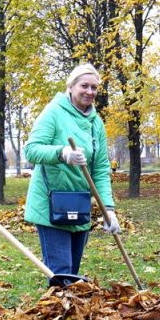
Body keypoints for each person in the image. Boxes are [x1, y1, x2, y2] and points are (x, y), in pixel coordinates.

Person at [23, 63, 120, 278]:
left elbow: (101, 169)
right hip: (51, 204)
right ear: (71, 86)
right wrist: (62, 153)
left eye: (94, 88)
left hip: (79, 203)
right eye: (84, 86)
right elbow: (31, 150)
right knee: (61, 273)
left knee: (72, 273)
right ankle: (56, 310)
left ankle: (67, 308)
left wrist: (108, 209)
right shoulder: (54, 112)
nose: (90, 92)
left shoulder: (97, 123)